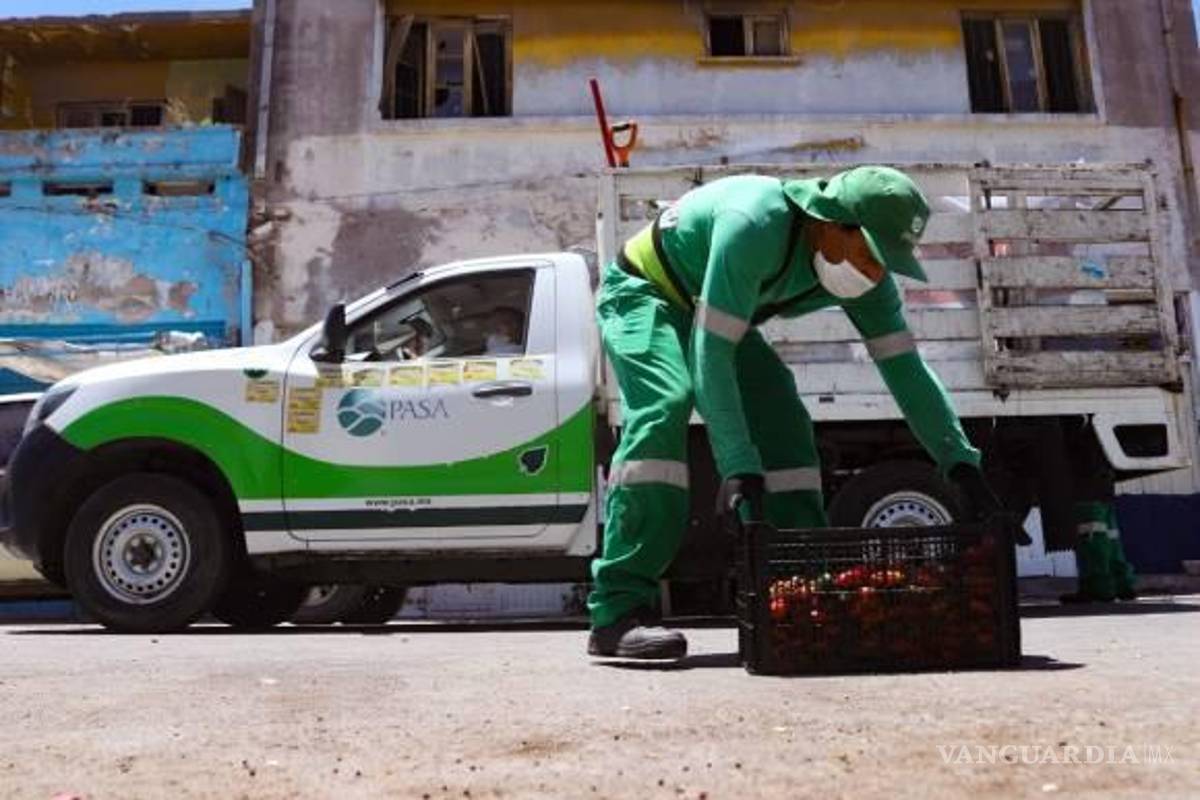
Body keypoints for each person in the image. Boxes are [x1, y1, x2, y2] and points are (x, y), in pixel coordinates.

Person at [588, 166, 1012, 660]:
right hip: (647, 292)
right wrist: (738, 466)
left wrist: (960, 464)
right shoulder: (753, 226)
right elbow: (711, 356)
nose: (876, 270)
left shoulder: (865, 279)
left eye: (886, 260)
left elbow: (907, 372)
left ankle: (795, 588)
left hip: (717, 309)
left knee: (785, 422)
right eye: (871, 253)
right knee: (666, 405)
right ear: (831, 221)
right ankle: (618, 611)